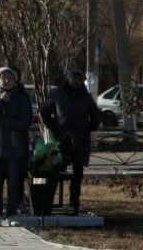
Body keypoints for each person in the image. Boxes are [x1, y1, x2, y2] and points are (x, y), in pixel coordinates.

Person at [42, 68, 101, 215]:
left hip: (79, 139)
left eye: (79, 79)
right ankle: (47, 203)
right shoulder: (57, 94)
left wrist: (90, 127)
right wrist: (53, 126)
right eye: (73, 78)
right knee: (53, 172)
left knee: (77, 173)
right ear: (67, 79)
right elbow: (45, 112)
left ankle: (74, 204)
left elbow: (95, 114)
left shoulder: (86, 97)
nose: (76, 81)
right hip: (58, 139)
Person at [0, 67, 32, 227]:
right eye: (3, 77)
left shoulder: (21, 99)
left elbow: (24, 122)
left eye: (10, 77)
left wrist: (2, 122)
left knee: (13, 183)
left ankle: (11, 213)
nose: (6, 80)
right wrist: (0, 101)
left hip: (13, 149)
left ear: (15, 80)